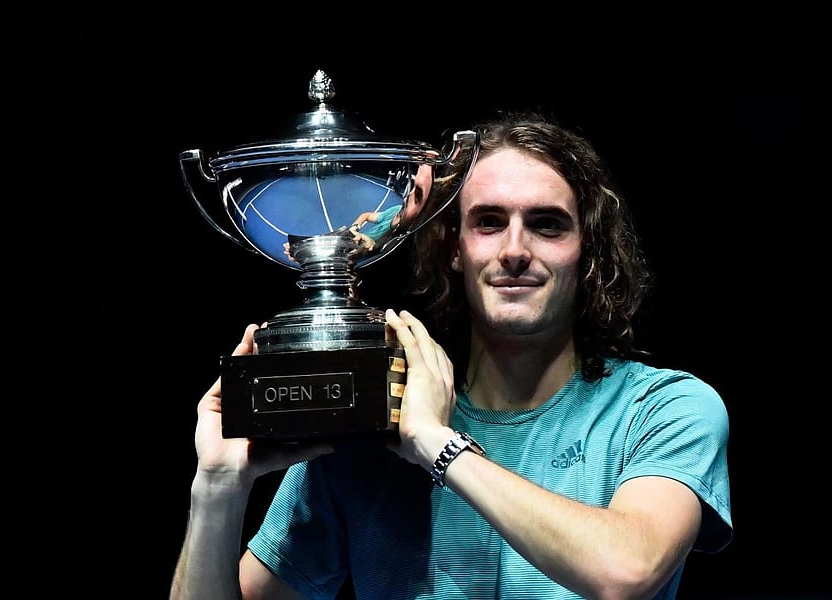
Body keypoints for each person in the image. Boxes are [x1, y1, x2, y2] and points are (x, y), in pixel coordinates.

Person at [170, 110, 732, 599]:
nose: (515, 250)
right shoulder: (365, 424)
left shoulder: (665, 408)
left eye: (547, 225)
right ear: (454, 248)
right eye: (489, 222)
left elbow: (626, 573)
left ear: (587, 249)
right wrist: (217, 488)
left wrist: (437, 445)